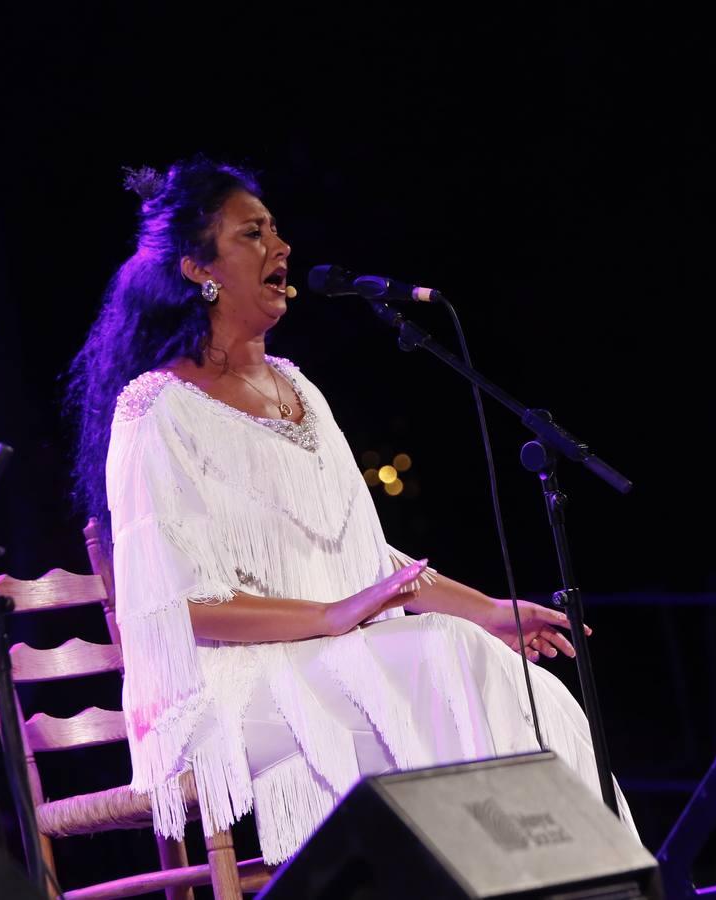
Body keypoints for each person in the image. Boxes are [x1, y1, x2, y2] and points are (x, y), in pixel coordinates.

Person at [67, 156, 635, 864]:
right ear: (196, 269)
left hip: (337, 654)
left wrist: (487, 608)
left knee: (527, 687)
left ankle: (585, 878)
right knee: (439, 658)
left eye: (275, 230)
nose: (281, 248)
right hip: (223, 693)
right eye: (252, 234)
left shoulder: (298, 388)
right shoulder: (155, 411)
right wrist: (331, 617)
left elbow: (371, 563)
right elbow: (177, 606)